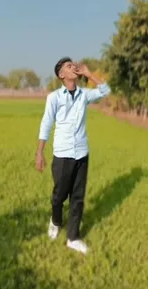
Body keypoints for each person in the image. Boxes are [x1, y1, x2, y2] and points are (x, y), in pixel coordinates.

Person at [35, 57, 111, 255]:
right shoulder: (54, 98)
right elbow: (46, 123)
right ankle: (56, 221)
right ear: (62, 75)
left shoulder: (84, 95)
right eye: (69, 66)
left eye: (74, 65)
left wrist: (89, 74)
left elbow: (106, 91)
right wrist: (39, 152)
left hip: (82, 154)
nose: (73, 67)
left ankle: (73, 237)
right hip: (62, 155)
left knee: (77, 198)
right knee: (59, 196)